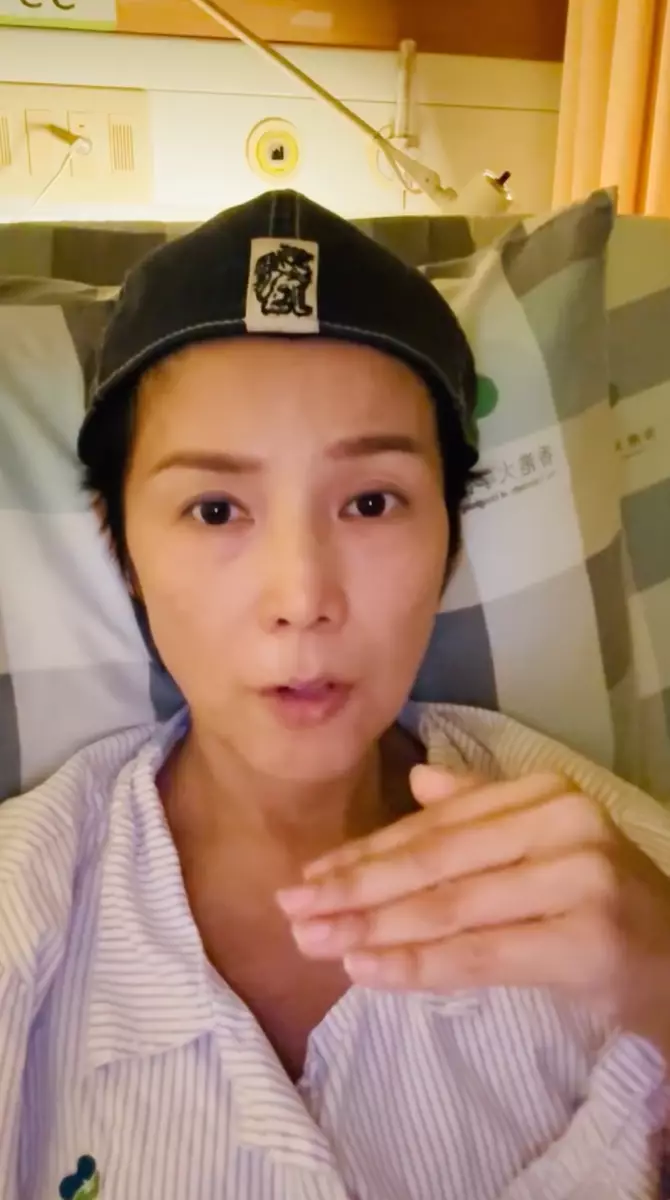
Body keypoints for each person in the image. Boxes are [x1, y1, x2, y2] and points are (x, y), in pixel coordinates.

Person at [1, 189, 670, 1200]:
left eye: (370, 501)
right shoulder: (24, 913)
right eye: (215, 509)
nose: (303, 598)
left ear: (449, 535)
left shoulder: (620, 877)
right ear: (121, 547)